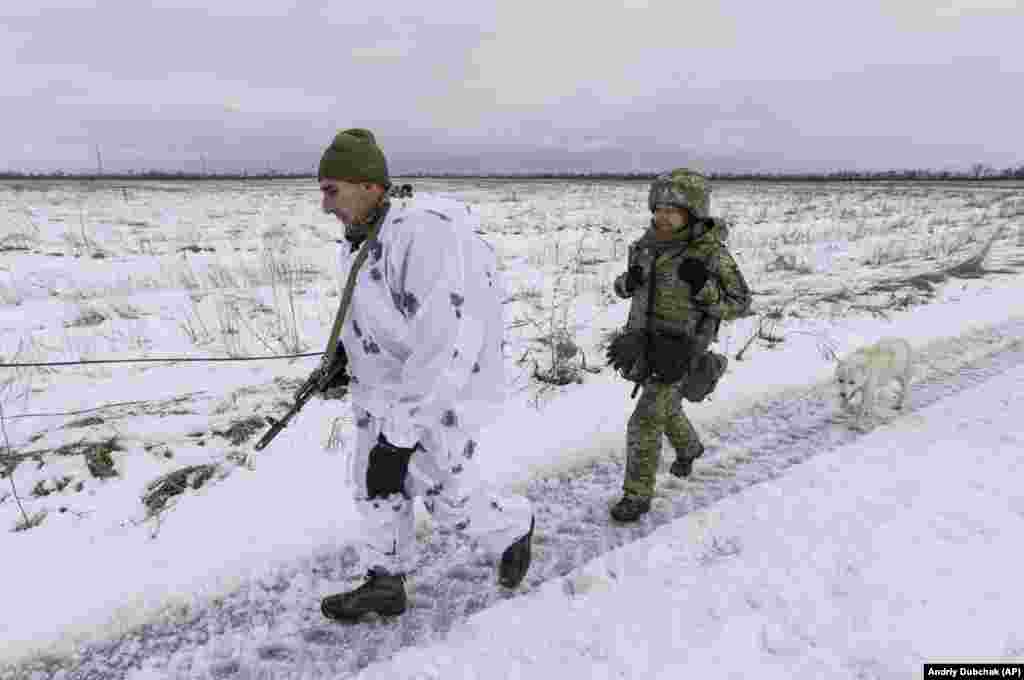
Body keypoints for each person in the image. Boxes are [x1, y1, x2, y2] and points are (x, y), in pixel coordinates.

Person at [312, 128, 535, 621]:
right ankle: (385, 580)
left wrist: (401, 435)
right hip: (381, 388)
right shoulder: (363, 236)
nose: (324, 205)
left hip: (434, 393)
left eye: (332, 190)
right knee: (372, 484)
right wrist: (344, 358)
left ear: (370, 185)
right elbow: (375, 312)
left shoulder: (423, 237)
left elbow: (444, 343)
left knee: (447, 497)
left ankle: (513, 528)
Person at [608, 169, 752, 522]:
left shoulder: (710, 254)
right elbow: (625, 289)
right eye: (659, 208)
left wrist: (704, 286)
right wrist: (627, 282)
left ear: (693, 212)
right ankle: (690, 448)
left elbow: (740, 304)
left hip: (682, 349)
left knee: (644, 421)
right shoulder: (645, 247)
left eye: (674, 209)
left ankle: (636, 497)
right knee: (665, 408)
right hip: (643, 343)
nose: (663, 216)